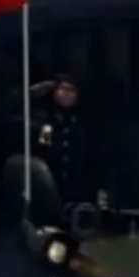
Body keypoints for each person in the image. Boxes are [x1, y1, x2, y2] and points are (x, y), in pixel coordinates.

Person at [26, 75, 98, 204]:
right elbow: (44, 146)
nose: (66, 94)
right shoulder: (46, 119)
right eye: (62, 89)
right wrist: (31, 93)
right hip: (52, 182)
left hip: (78, 185)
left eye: (71, 90)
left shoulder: (85, 121)